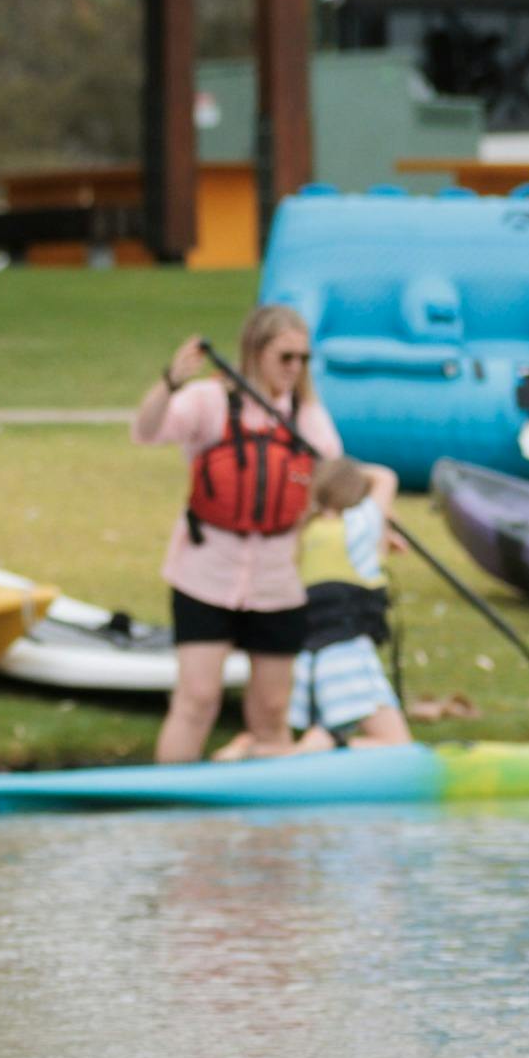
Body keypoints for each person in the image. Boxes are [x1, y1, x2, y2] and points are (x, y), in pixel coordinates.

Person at [125, 305, 343, 764]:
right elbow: (145, 432)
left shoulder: (307, 418)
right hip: (204, 574)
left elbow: (334, 481)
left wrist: (369, 509)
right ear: (255, 352)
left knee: (271, 709)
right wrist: (170, 384)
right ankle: (171, 806)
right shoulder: (209, 401)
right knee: (197, 699)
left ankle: (270, 832)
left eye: (303, 359)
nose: (294, 369)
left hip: (278, 582)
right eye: (285, 357)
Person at [284, 456, 416, 752]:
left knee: (352, 730)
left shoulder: (304, 530)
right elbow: (385, 476)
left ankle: (308, 741)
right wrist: (350, 473)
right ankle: (326, 743)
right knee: (397, 745)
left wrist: (322, 477)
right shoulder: (361, 523)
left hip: (308, 660)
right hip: (348, 655)